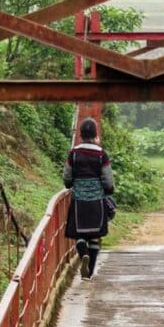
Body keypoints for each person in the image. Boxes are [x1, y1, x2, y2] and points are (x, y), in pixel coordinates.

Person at [63, 118, 114, 279]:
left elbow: (67, 175)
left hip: (79, 201)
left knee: (80, 233)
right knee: (94, 235)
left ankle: (81, 251)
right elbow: (107, 178)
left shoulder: (74, 153)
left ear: (80, 134)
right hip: (97, 201)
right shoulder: (101, 154)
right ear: (95, 134)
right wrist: (108, 191)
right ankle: (89, 272)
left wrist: (70, 184)